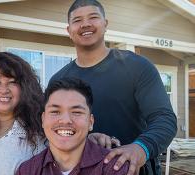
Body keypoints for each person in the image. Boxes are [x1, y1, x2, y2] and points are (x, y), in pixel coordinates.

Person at [49, 1, 177, 175]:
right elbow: (51, 128)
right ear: (69, 30)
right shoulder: (59, 80)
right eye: (77, 20)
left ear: (105, 24)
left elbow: (164, 119)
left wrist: (140, 148)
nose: (85, 24)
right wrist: (85, 139)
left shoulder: (137, 67)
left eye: (93, 17)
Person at [17, 78, 129, 175]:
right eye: (55, 111)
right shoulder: (28, 170)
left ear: (90, 122)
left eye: (76, 112)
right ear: (43, 119)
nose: (65, 120)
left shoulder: (114, 168)